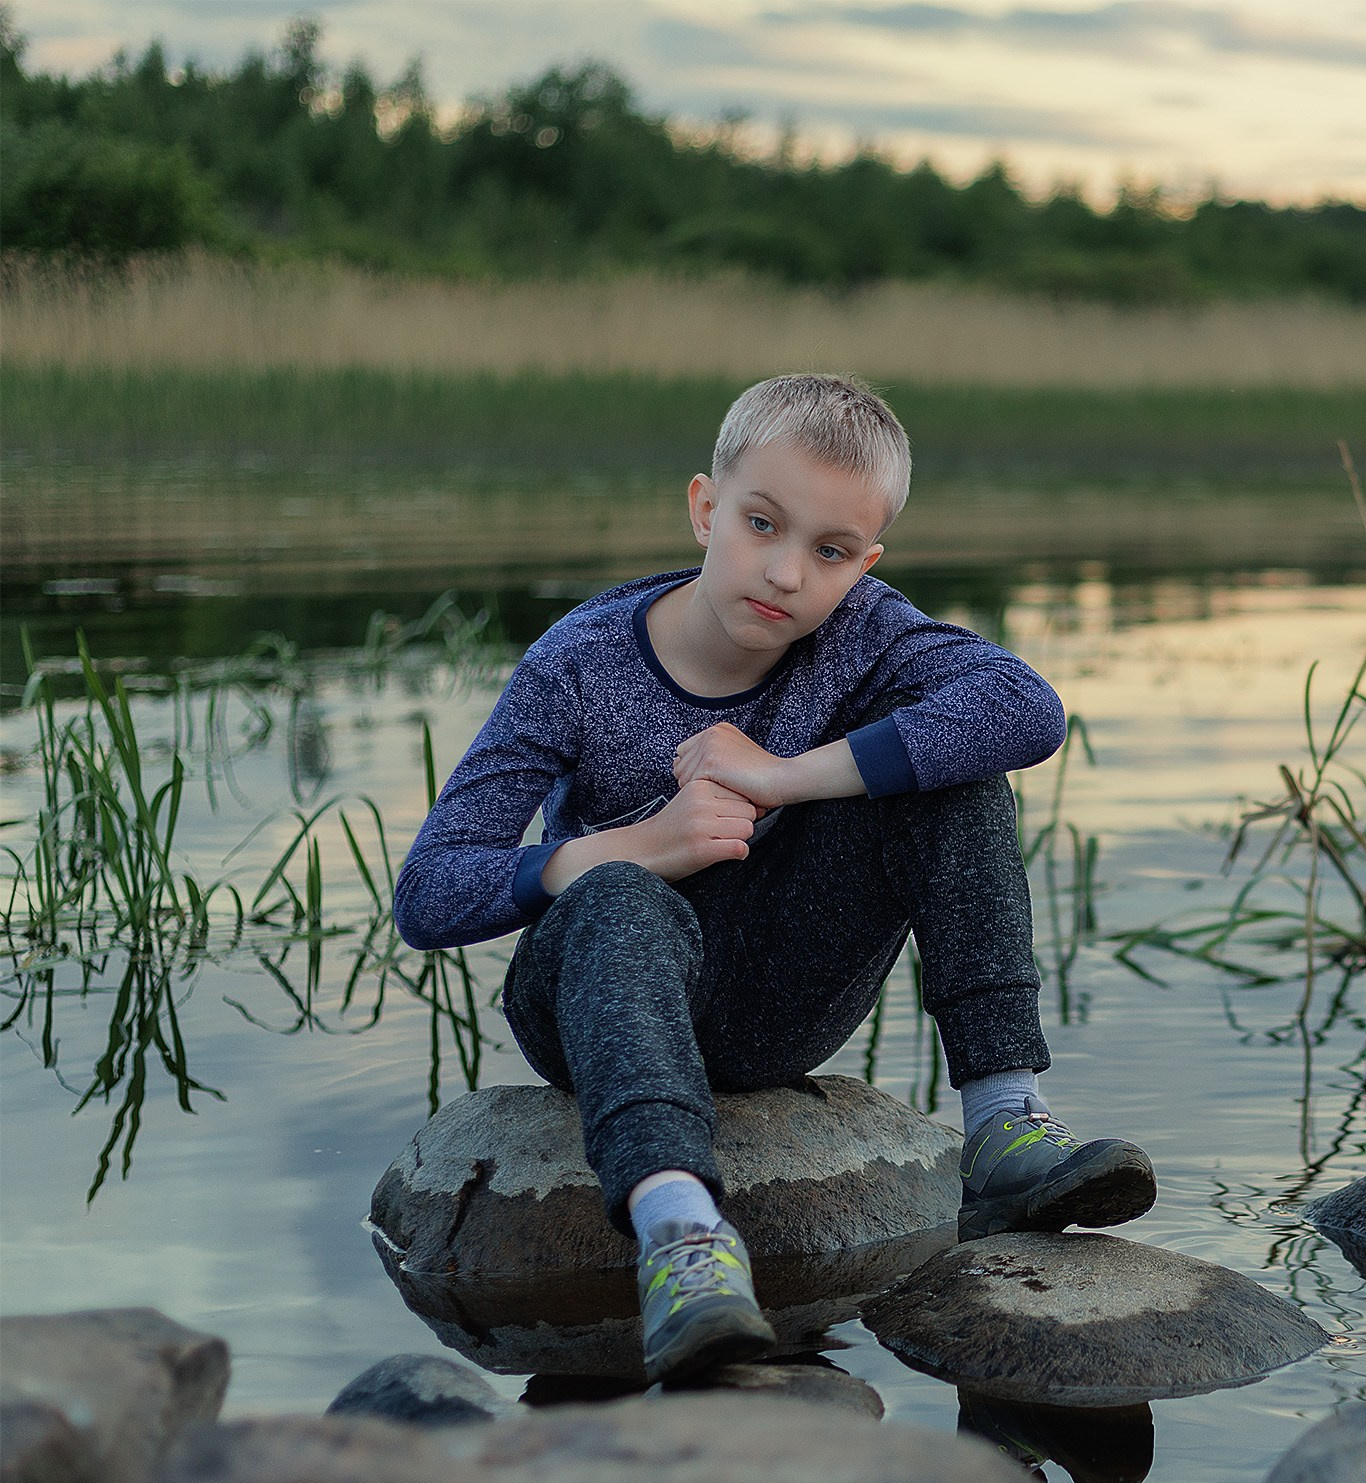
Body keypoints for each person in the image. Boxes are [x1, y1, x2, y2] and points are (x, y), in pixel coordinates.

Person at [393, 373, 1154, 1387]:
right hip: (599, 1001)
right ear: (706, 508)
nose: (788, 572)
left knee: (949, 774)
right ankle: (682, 1241)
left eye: (830, 551)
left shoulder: (859, 628)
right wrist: (632, 848)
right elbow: (431, 891)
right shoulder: (576, 665)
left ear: (864, 562)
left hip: (778, 1001)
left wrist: (780, 775)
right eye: (762, 524)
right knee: (622, 898)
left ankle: (1003, 1124)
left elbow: (1025, 710)